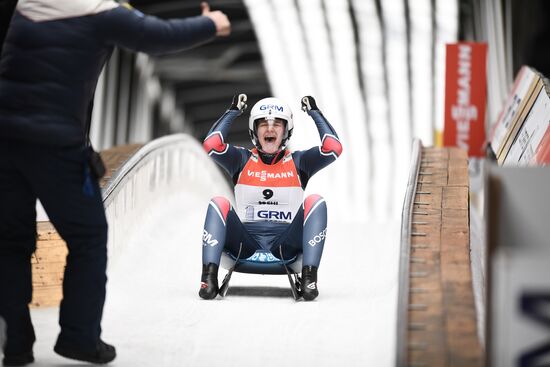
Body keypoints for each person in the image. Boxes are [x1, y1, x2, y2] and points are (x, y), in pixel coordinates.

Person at [0, 0, 230, 365]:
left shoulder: (27, 5)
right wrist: (210, 24)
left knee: (11, 242)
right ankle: (80, 337)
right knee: (88, 238)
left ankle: (15, 344)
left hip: (6, 140)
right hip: (56, 147)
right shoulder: (100, 13)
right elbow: (159, 36)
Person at [200, 94, 343, 301]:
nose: (270, 129)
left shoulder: (299, 161)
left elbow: (333, 148)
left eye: (277, 124)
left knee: (316, 201)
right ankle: (208, 278)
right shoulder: (240, 159)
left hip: (285, 247)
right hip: (244, 246)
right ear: (254, 131)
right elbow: (212, 144)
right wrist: (232, 112)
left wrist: (315, 113)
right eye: (263, 124)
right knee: (218, 203)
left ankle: (310, 278)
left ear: (286, 131)